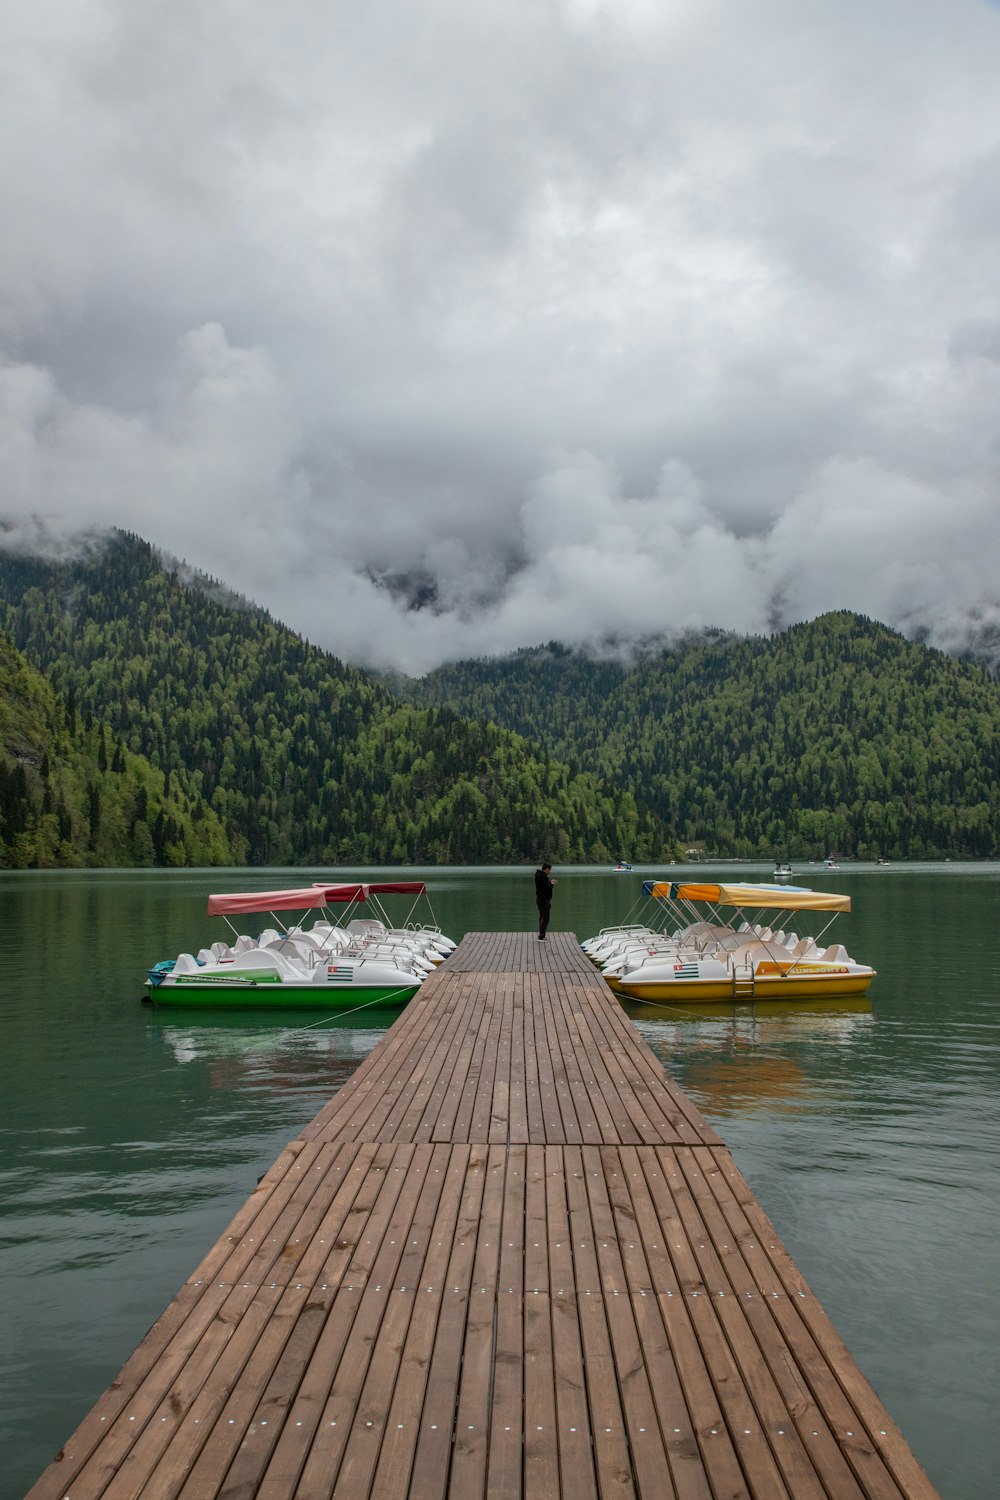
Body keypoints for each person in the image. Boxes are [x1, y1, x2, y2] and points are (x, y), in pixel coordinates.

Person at [534, 862, 556, 939]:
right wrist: (552, 884)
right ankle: (542, 935)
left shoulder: (538, 875)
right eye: (550, 869)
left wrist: (549, 882)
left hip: (539, 899)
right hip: (544, 900)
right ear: (546, 868)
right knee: (546, 918)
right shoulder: (544, 877)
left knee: (542, 916)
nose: (550, 871)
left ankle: (541, 934)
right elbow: (546, 889)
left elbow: (543, 886)